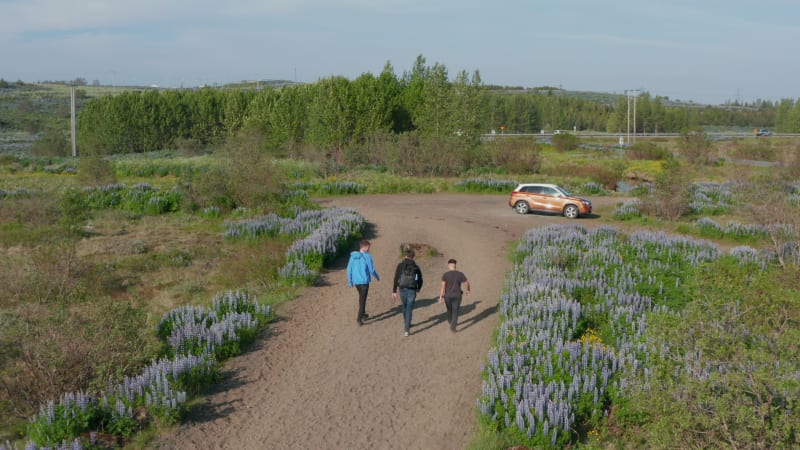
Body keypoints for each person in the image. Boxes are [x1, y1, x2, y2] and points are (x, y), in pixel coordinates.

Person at [347, 240, 380, 325]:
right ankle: (359, 319)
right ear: (364, 247)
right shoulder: (367, 257)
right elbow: (371, 270)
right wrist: (377, 277)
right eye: (368, 247)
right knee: (362, 301)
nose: (369, 248)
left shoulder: (352, 257)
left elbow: (349, 270)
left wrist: (350, 281)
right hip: (364, 282)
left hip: (356, 282)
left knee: (362, 299)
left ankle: (364, 314)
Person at [392, 249, 423, 337]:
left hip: (402, 289)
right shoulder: (416, 267)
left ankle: (407, 322)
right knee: (409, 308)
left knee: (404, 306)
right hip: (412, 289)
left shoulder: (400, 266)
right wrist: (418, 287)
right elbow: (418, 279)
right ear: (413, 257)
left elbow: (396, 277)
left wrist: (394, 291)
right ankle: (407, 328)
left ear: (405, 256)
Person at [439, 258, 470, 333]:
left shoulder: (445, 275)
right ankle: (453, 326)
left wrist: (441, 297)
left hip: (447, 296)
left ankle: (451, 322)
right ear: (455, 265)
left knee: (449, 310)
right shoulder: (460, 274)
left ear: (448, 265)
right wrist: (468, 290)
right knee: (455, 311)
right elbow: (467, 283)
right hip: (457, 296)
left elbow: (443, 286)